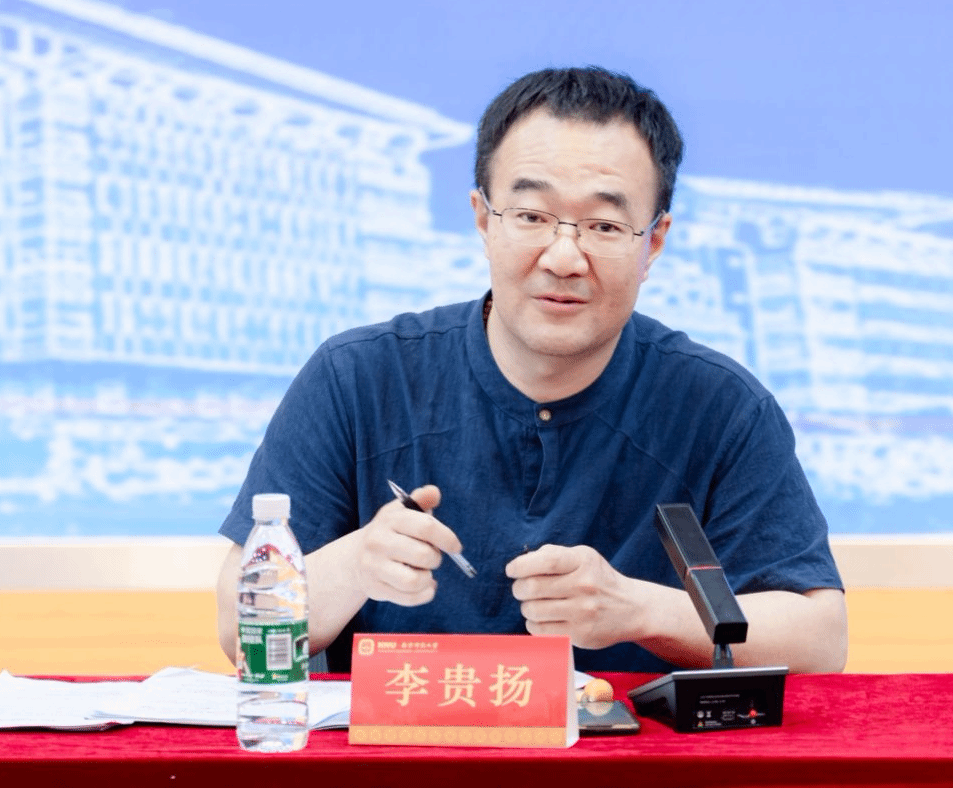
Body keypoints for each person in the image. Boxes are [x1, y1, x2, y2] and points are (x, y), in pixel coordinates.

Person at [216, 66, 847, 674]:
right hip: (407, 738)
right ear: (482, 219)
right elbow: (237, 629)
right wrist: (357, 563)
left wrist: (642, 612)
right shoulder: (357, 378)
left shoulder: (721, 407)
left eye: (604, 225)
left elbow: (820, 640)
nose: (564, 257)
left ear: (653, 242)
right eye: (531, 217)